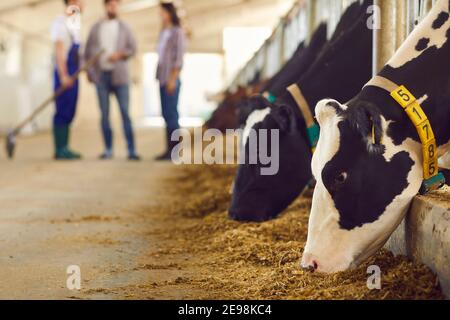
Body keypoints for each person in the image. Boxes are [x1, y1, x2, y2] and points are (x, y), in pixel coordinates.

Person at [85, 0, 140, 161]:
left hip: (120, 76)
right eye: (110, 5)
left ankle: (131, 149)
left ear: (119, 6)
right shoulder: (96, 28)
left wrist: (120, 55)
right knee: (104, 115)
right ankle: (108, 149)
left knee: (125, 113)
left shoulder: (125, 28)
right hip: (101, 76)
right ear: (105, 6)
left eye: (116, 5)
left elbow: (133, 48)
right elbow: (87, 52)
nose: (113, 7)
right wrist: (89, 71)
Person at [51, 0, 84, 160]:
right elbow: (59, 49)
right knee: (63, 110)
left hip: (73, 73)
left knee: (70, 110)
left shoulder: (74, 26)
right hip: (64, 73)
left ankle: (65, 147)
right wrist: (64, 75)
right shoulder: (60, 23)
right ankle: (60, 149)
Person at [155, 2, 186, 161]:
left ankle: (175, 152)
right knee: (166, 114)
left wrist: (173, 79)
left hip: (171, 79)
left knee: (172, 114)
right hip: (162, 78)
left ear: (169, 13)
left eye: (162, 12)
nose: (160, 15)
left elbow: (179, 58)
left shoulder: (177, 32)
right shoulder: (163, 32)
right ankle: (169, 150)